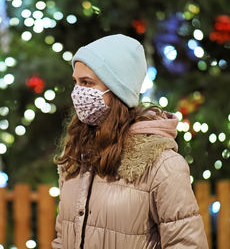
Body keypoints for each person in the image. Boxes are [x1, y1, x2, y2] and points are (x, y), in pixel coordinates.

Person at [51, 34, 209, 249]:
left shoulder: (162, 164)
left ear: (117, 90)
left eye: (87, 83)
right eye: (76, 82)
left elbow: (187, 244)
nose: (78, 92)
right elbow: (63, 237)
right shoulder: (77, 155)